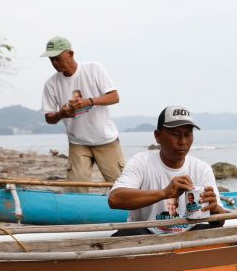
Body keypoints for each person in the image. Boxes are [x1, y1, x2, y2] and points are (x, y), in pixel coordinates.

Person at [108, 106, 226, 236]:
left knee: (215, 232)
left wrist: (214, 208)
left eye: (188, 134)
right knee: (130, 232)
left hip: (188, 235)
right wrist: (164, 193)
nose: (182, 142)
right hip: (147, 235)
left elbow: (219, 223)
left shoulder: (202, 169)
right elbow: (114, 199)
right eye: (175, 134)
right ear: (158, 136)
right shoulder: (141, 162)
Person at [40, 36, 125, 191]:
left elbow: (115, 97)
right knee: (75, 189)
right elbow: (49, 118)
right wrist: (61, 113)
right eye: (51, 60)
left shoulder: (94, 69)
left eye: (58, 58)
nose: (55, 63)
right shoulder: (51, 83)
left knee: (122, 186)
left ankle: (131, 214)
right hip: (78, 143)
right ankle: (78, 214)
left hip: (105, 140)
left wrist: (89, 101)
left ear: (71, 54)